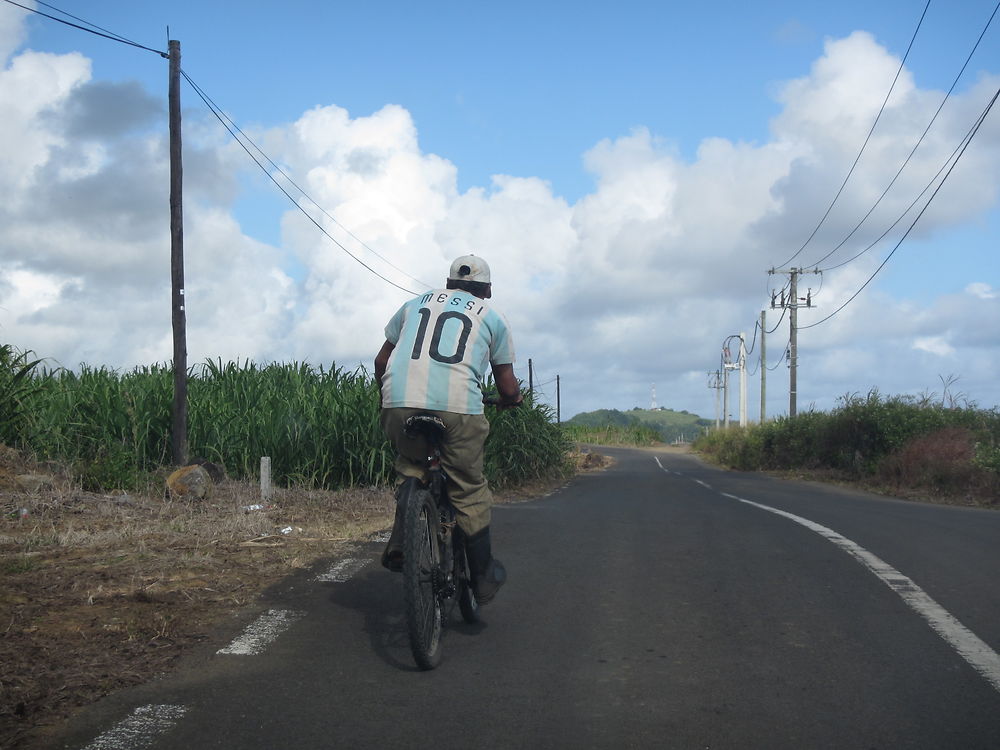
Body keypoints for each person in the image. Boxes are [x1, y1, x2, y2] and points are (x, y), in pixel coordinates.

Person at [374, 254, 522, 604]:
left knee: (412, 469)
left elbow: (382, 361)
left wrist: (386, 396)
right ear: (485, 288)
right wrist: (511, 400)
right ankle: (483, 577)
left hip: (399, 400)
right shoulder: (491, 317)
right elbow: (507, 385)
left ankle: (401, 546)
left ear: (450, 283)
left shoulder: (413, 304)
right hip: (458, 408)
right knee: (469, 489)